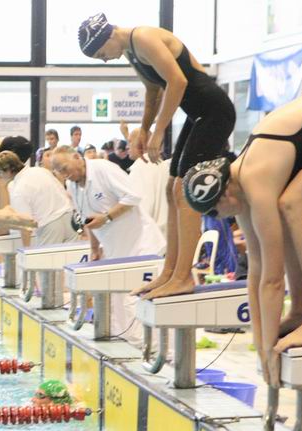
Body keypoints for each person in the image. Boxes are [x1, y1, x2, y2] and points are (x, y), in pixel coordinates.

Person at [182, 83, 302, 386]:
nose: (223, 219)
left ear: (223, 195)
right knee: (289, 206)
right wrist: (261, 341)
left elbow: (273, 279)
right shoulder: (237, 184)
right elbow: (256, 272)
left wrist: (268, 349)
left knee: (294, 204)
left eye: (216, 213)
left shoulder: (255, 180)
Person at [78, 12, 235, 300]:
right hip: (198, 115)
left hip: (214, 112)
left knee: (185, 192)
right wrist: (144, 130)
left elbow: (177, 82)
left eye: (101, 54)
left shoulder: (144, 38)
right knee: (171, 188)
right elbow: (153, 91)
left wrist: (160, 131)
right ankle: (170, 272)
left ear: (108, 36)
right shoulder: (131, 51)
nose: (105, 60)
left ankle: (183, 276)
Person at [52, 149, 165, 346]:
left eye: (64, 168)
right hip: (116, 250)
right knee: (118, 301)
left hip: (141, 246)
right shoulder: (72, 184)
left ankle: (153, 348)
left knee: (135, 300)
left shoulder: (103, 169)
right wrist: (94, 249)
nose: (64, 174)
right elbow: (88, 220)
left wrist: (107, 217)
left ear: (77, 157)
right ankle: (127, 345)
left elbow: (132, 197)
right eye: (59, 172)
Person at [0, 151, 76, 248]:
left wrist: (26, 250)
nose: (0, 176)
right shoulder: (41, 171)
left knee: (48, 258)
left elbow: (25, 225)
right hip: (70, 219)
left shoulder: (19, 190)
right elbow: (63, 192)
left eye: (0, 173)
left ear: (8, 171)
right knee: (73, 256)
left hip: (50, 225)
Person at [127, 128, 170, 237]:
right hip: (166, 234)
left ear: (141, 143)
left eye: (130, 142)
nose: (127, 146)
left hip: (151, 237)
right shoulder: (162, 164)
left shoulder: (141, 167)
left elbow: (142, 208)